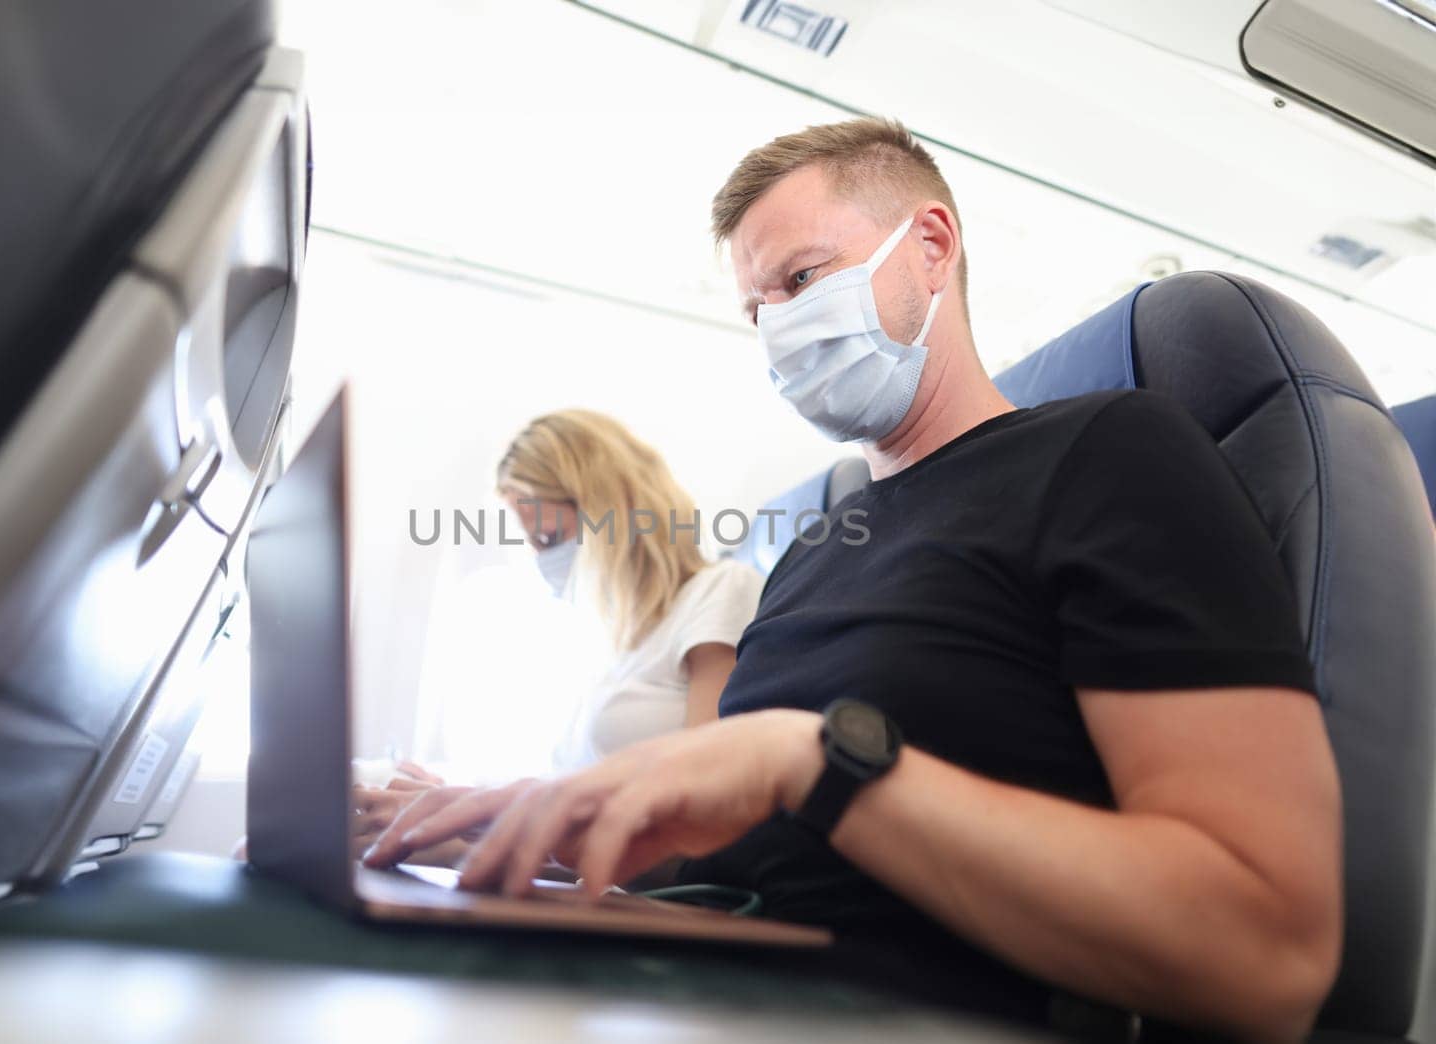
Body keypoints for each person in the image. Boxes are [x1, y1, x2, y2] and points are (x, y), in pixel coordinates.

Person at [366, 118, 1342, 1041]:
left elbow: (1265, 957)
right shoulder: (810, 555)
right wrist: (514, 837)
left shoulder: (1108, 454)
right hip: (713, 979)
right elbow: (743, 869)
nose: (779, 329)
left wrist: (819, 762)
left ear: (929, 245)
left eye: (803, 277)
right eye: (759, 309)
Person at [351, 409, 764, 864]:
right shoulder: (614, 649)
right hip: (585, 868)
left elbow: (699, 807)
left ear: (613, 509)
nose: (544, 563)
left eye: (549, 538)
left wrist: (480, 817)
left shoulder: (720, 590)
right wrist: (453, 808)